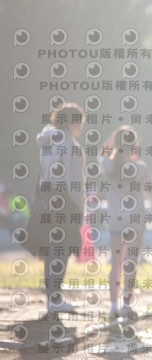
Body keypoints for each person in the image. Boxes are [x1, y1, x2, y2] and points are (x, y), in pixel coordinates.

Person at [99, 126, 152, 320]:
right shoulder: (140, 168)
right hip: (135, 220)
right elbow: (149, 190)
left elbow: (102, 153)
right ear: (134, 146)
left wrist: (113, 136)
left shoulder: (108, 165)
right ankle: (126, 304)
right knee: (131, 262)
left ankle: (113, 305)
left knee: (116, 264)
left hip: (115, 220)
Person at [36, 103, 86, 314]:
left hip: (48, 196)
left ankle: (52, 296)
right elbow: (71, 178)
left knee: (53, 247)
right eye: (80, 122)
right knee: (62, 248)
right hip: (65, 199)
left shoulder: (48, 140)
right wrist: (78, 205)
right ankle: (55, 297)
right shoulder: (67, 143)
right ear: (72, 122)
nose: (81, 127)